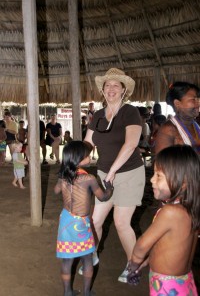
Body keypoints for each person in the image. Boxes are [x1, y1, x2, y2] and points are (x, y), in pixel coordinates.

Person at [80, 68, 145, 283]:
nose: (111, 89)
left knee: (121, 223)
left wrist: (113, 171)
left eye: (116, 85)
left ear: (124, 90)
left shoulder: (130, 112)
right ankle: (92, 256)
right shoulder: (97, 116)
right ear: (103, 90)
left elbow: (131, 144)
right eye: (108, 85)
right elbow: (88, 143)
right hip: (104, 174)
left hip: (128, 173)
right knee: (95, 220)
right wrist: (78, 158)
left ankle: (133, 265)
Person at [127, 145, 200, 295]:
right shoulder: (190, 209)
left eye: (159, 176)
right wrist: (145, 262)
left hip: (167, 286)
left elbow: (142, 245)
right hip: (184, 281)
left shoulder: (170, 212)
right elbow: (164, 247)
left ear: (184, 181)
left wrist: (133, 264)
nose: (152, 180)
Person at [54, 141, 113, 296]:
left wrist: (63, 178)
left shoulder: (64, 176)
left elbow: (56, 191)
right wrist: (109, 188)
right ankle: (86, 293)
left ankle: (67, 292)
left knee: (67, 260)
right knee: (87, 258)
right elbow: (103, 197)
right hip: (81, 222)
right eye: (87, 155)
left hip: (66, 221)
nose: (90, 156)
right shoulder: (89, 178)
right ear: (78, 158)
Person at [155, 81, 200, 155]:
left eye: (198, 99)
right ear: (177, 103)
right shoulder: (168, 130)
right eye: (193, 100)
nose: (198, 103)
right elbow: (162, 163)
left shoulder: (195, 125)